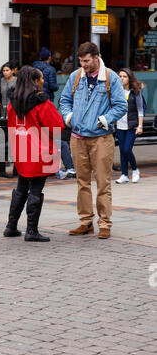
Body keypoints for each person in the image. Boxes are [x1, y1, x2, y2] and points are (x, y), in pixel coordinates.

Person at [60, 42, 127, 239]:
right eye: (80, 61)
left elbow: (121, 106)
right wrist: (69, 117)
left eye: (86, 61)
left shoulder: (110, 78)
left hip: (101, 138)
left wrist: (105, 119)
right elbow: (64, 101)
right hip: (78, 137)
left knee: (102, 182)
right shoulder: (75, 76)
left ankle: (105, 223)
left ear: (96, 57)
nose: (83, 65)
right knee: (82, 182)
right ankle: (85, 222)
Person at [4, 66, 64, 242]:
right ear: (34, 81)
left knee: (22, 187)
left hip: (21, 149)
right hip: (40, 151)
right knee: (36, 189)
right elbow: (57, 127)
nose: (43, 81)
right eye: (41, 78)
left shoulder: (12, 102)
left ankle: (11, 226)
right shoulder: (42, 103)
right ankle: (31, 230)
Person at [115, 68, 144, 184]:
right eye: (120, 76)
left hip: (132, 125)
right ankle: (124, 175)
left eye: (124, 76)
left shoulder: (135, 91)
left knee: (127, 149)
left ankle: (135, 170)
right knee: (122, 151)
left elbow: (140, 110)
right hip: (120, 125)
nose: (122, 78)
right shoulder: (117, 91)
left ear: (129, 78)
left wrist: (140, 126)